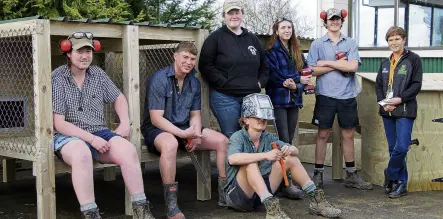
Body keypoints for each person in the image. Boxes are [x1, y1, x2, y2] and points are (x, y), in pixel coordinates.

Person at [52, 32, 154, 219]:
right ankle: (91, 214)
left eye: (88, 51)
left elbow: (119, 98)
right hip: (68, 136)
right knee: (81, 153)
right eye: (79, 51)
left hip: (100, 131)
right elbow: (59, 123)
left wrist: (124, 122)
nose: (85, 56)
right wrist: (92, 139)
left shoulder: (98, 74)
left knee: (129, 150)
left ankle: (142, 211)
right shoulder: (57, 78)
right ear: (68, 52)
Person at [141, 42, 228, 219]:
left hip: (185, 127)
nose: (189, 62)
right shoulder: (159, 79)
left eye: (192, 59)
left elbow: (195, 114)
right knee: (170, 143)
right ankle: (171, 205)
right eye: (185, 57)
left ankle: (226, 194)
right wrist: (182, 134)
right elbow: (156, 118)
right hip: (158, 128)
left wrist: (195, 134)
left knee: (222, 141)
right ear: (175, 56)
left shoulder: (194, 82)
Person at [224, 93, 341, 219]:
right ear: (246, 119)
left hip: (261, 197)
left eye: (264, 116)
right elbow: (233, 158)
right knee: (250, 163)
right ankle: (272, 209)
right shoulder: (238, 137)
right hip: (239, 197)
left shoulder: (268, 137)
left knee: (290, 158)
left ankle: (316, 200)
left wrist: (288, 149)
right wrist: (265, 155)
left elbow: (295, 150)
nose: (262, 119)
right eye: (257, 116)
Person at [307, 8, 373, 190]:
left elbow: (352, 67)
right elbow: (312, 70)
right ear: (325, 22)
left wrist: (327, 63)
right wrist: (340, 66)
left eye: (337, 19)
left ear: (342, 21)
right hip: (325, 95)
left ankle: (351, 175)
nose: (334, 22)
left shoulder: (350, 43)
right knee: (322, 134)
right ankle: (318, 174)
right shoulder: (317, 44)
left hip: (347, 95)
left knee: (348, 134)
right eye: (331, 19)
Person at [198, 0, 269, 139]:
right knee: (233, 137)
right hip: (225, 97)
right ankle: (233, 161)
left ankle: (251, 161)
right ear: (224, 16)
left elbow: (264, 67)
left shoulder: (252, 39)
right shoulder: (215, 38)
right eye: (230, 13)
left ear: (242, 14)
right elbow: (205, 66)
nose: (234, 16)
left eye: (237, 12)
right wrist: (224, 83)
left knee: (254, 135)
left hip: (251, 97)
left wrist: (259, 83)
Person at [264, 18, 312, 199]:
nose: (286, 30)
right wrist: (297, 80)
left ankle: (284, 179)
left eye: (289, 27)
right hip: (278, 101)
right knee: (283, 140)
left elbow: (306, 74)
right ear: (276, 31)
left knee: (289, 140)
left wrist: (297, 85)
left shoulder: (297, 50)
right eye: (283, 27)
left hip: (294, 100)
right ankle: (286, 183)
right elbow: (276, 76)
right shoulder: (271, 52)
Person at [376, 26, 422, 199]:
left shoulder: (414, 59)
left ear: (404, 39)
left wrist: (400, 99)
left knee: (402, 147)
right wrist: (383, 104)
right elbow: (379, 86)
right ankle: (400, 183)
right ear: (387, 42)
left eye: (397, 39)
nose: (394, 42)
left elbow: (416, 85)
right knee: (392, 148)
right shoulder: (385, 62)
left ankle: (390, 173)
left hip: (404, 109)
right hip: (387, 111)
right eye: (390, 39)